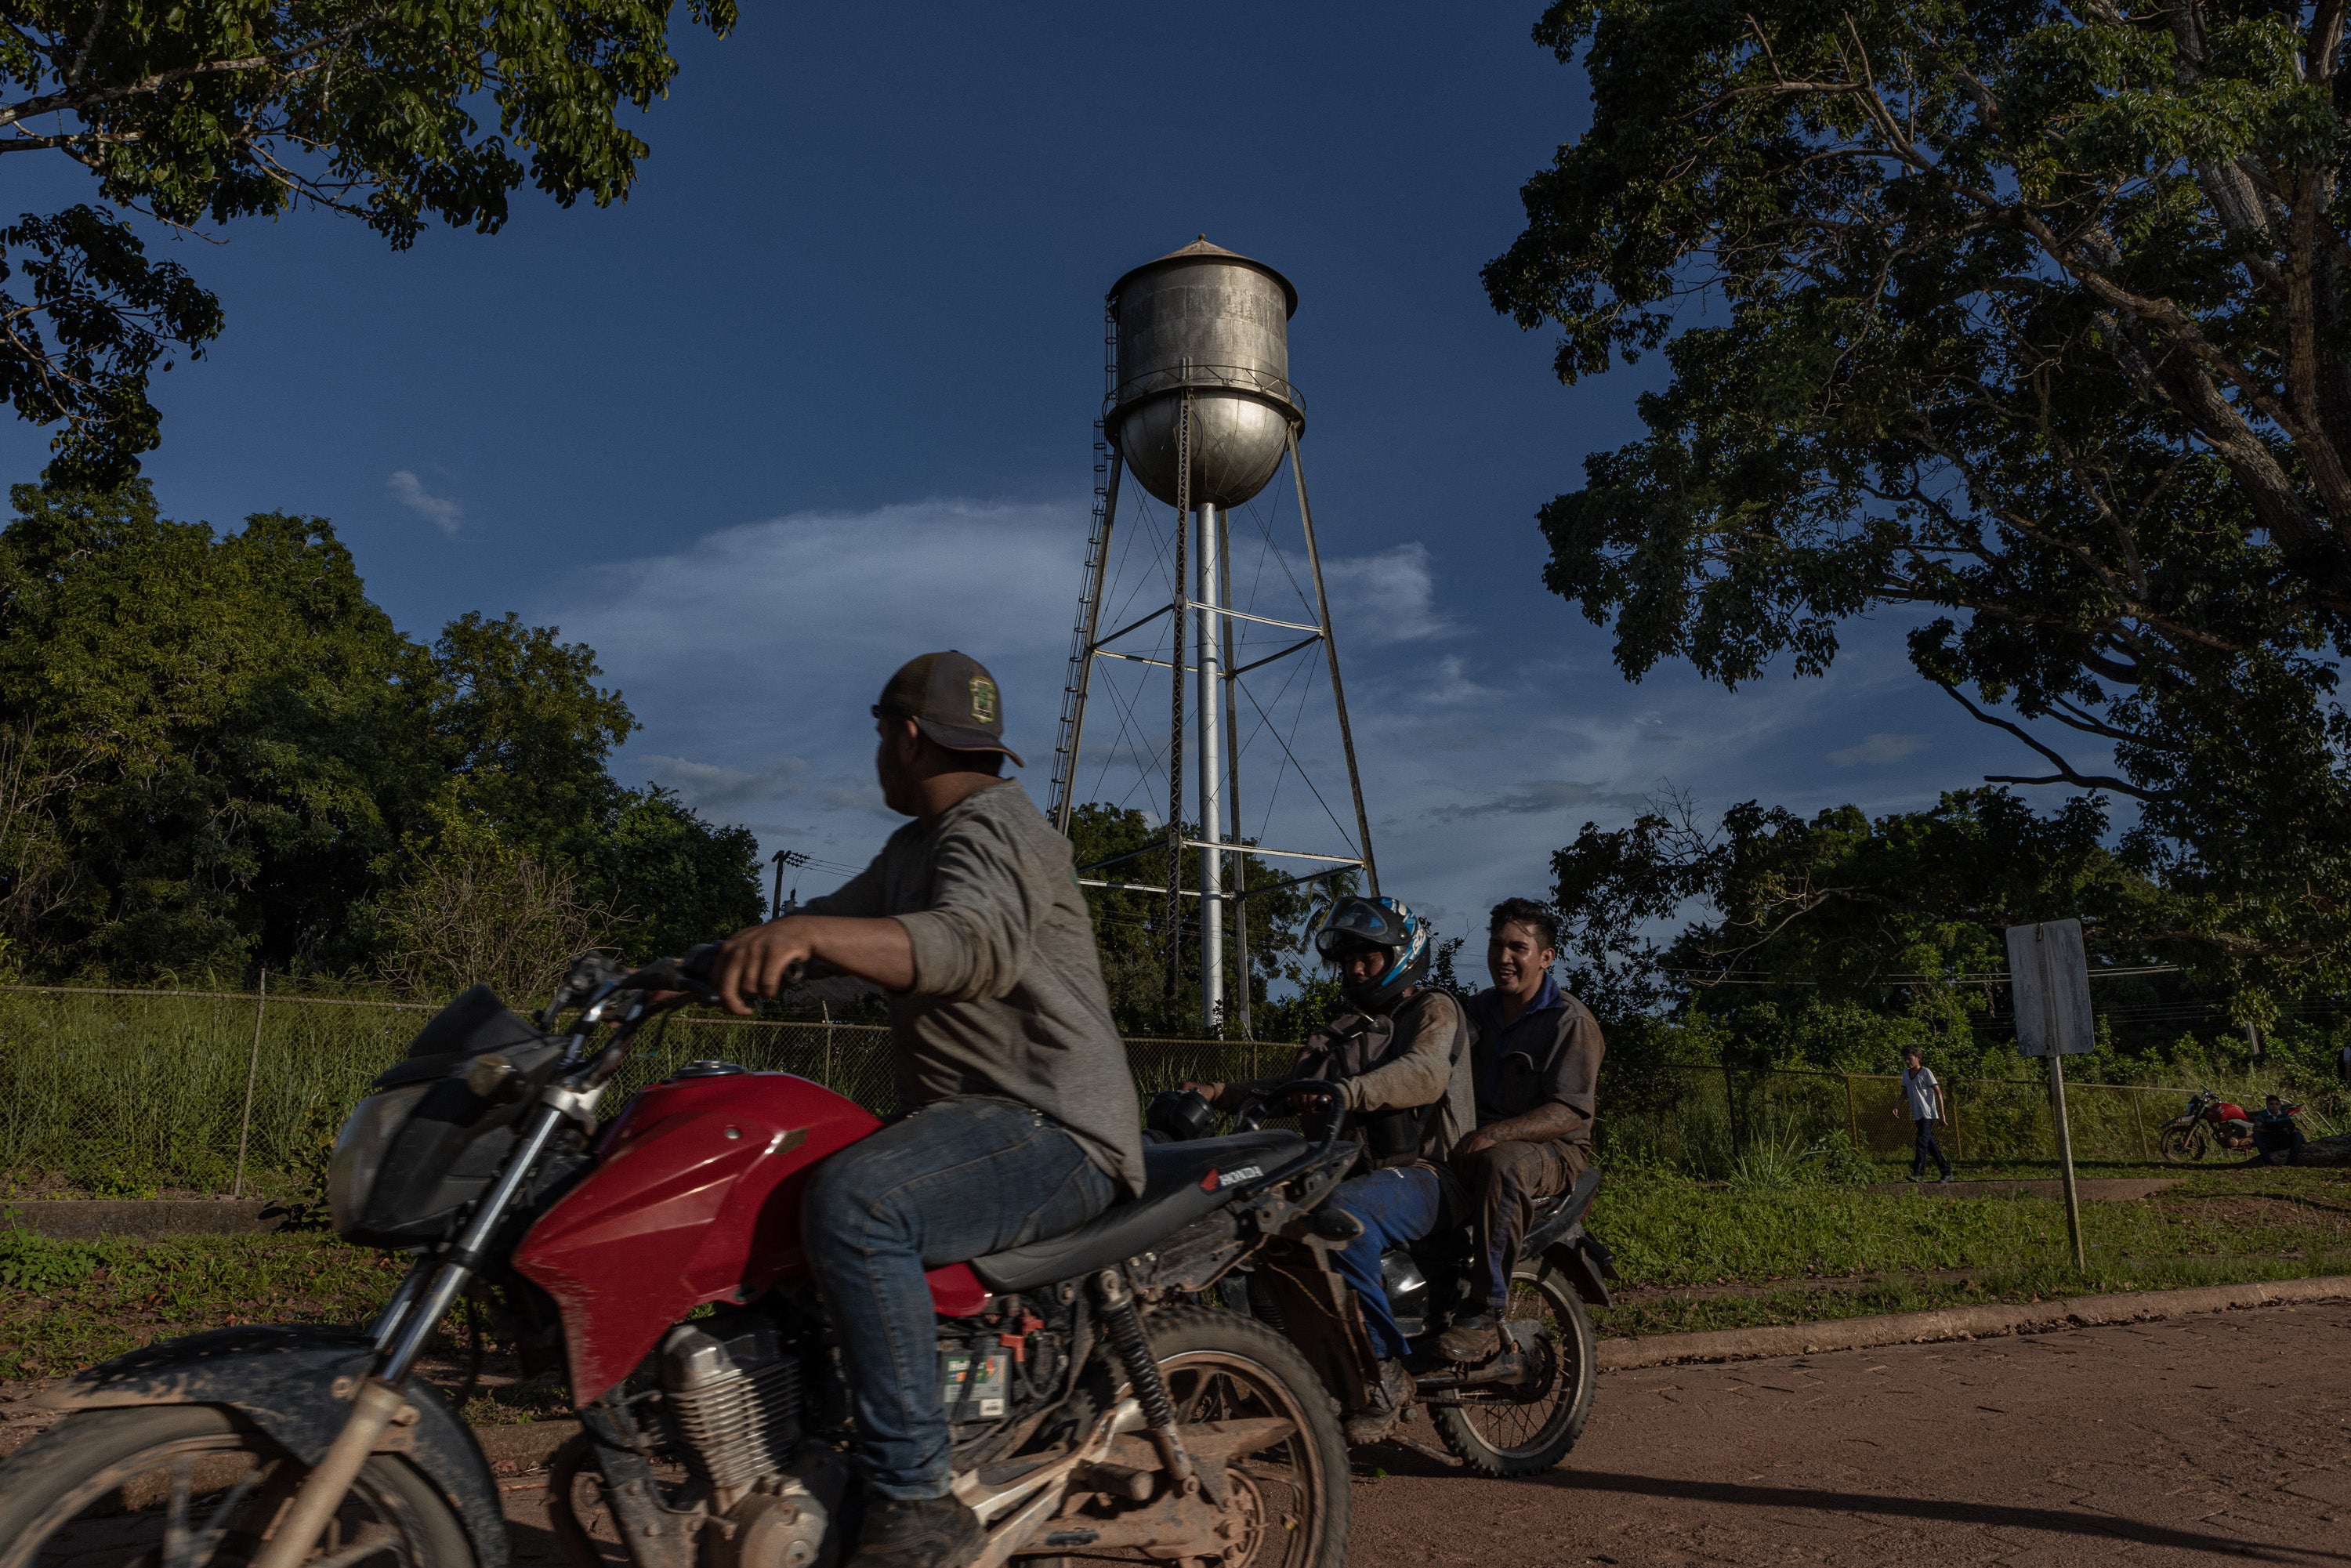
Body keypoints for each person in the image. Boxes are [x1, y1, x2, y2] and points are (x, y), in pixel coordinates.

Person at [709, 650, 1143, 1568]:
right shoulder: (916, 849)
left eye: (878, 735)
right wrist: (699, 965)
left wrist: (809, 932)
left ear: (904, 737)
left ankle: (913, 1503)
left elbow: (967, 946)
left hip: (1053, 1128)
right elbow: (836, 934)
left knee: (861, 1204)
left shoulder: (996, 829)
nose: (876, 754)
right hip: (981, 1127)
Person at [1179, 894, 1471, 1443]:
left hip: (1433, 1175)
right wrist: (1218, 1093)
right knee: (1256, 1223)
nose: (1356, 968)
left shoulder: (1433, 1010)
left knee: (1343, 1215)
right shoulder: (1346, 1028)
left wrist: (1348, 1091)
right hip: (1355, 1171)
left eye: (1369, 957)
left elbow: (1425, 1073)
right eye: (1348, 959)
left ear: (1401, 954)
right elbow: (1293, 1089)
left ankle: (1385, 1372)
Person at [1435, 899, 1603, 1364]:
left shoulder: (1570, 1021)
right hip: (1476, 1141)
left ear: (1546, 958)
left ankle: (1485, 1313)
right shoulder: (1479, 1010)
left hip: (1552, 1151)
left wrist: (1495, 1135)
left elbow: (1569, 1111)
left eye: (1518, 947)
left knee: (1502, 1163)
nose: (1503, 957)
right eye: (1496, 945)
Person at [1896, 1045, 1954, 1182]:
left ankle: (1918, 1173)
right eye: (1905, 1058)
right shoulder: (1906, 1074)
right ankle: (1946, 1171)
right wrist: (1897, 1106)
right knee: (1929, 1144)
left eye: (1909, 1058)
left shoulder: (1925, 1072)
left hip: (1927, 1114)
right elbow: (1904, 1093)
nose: (1907, 1061)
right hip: (1916, 1114)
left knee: (1921, 1142)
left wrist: (1942, 1115)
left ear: (1919, 1058)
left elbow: (1938, 1092)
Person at [2252, 1095, 2306, 1164]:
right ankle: (2268, 1161)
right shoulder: (2263, 1114)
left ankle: (2291, 1161)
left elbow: (2290, 1125)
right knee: (2256, 1135)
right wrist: (2271, 1130)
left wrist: (2287, 1129)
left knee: (2298, 1135)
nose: (2274, 1106)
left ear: (2279, 1105)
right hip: (2271, 1140)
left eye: (2276, 1104)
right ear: (2267, 1105)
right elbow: (2256, 1128)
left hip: (2283, 1138)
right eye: (2271, 1104)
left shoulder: (2283, 1114)